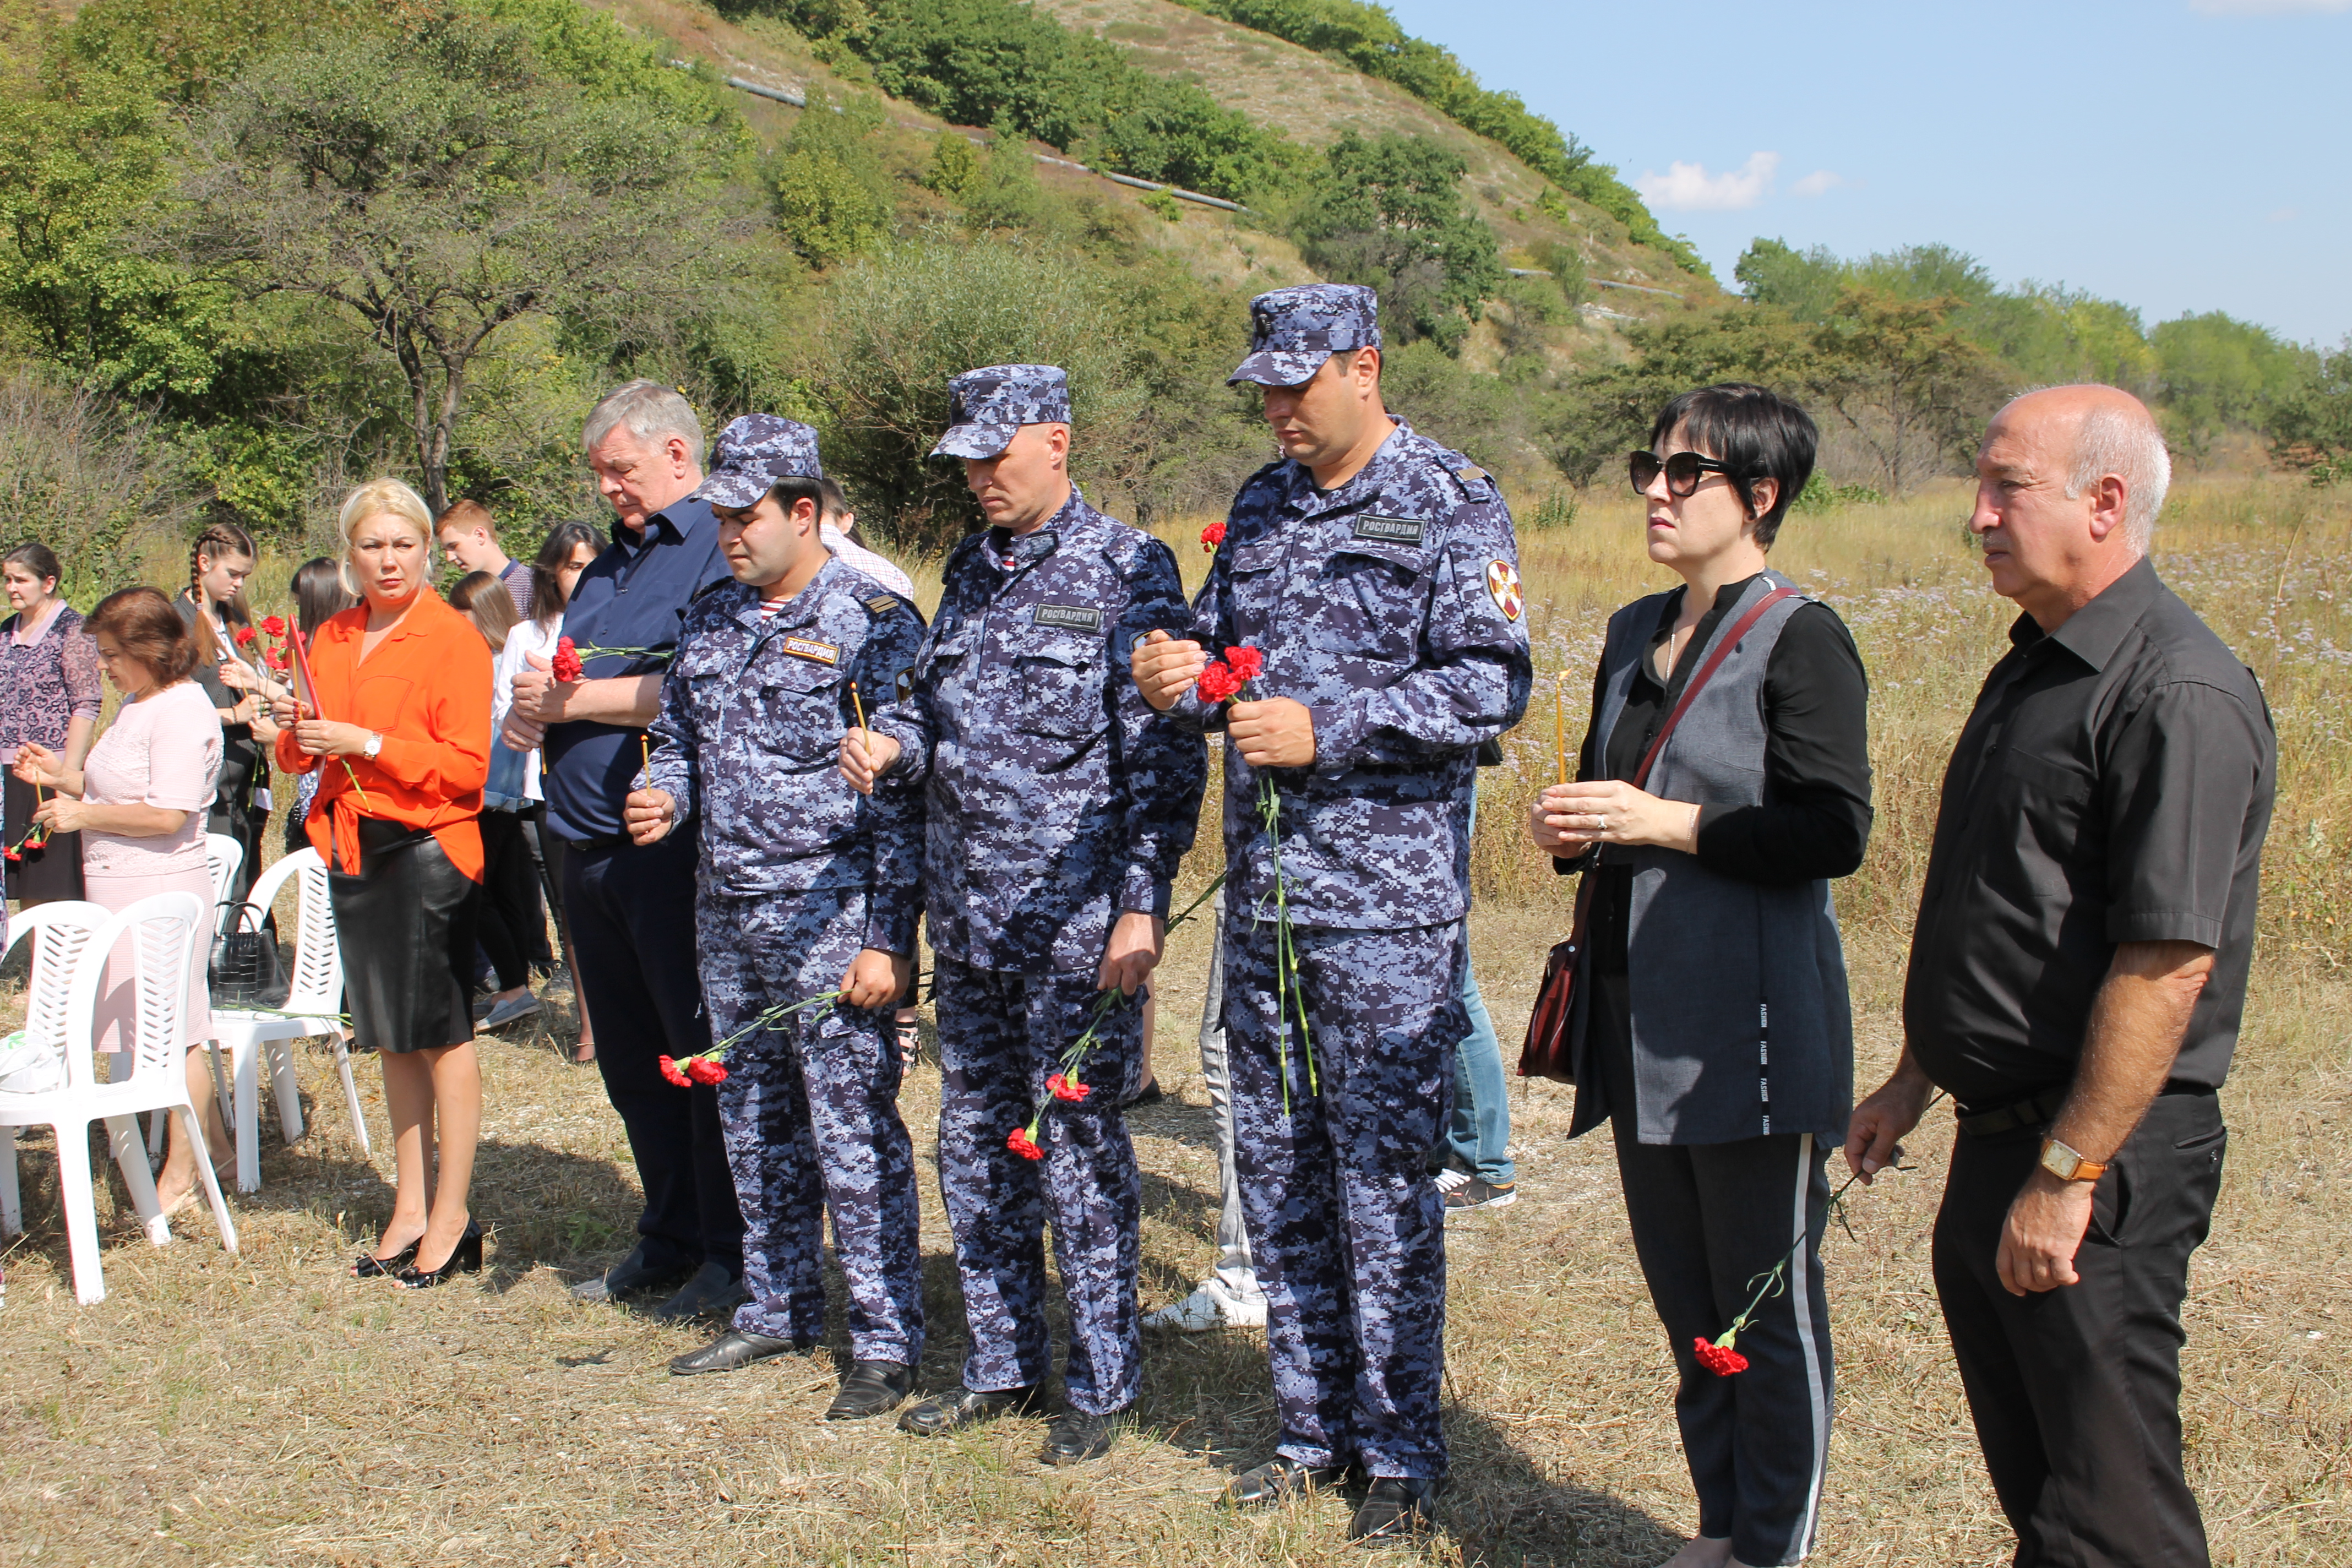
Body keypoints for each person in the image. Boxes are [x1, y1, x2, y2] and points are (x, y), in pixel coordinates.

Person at [1845, 386, 2274, 1568]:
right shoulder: (2039, 664)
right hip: (2004, 1137)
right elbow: (2006, 909)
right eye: (1978, 488)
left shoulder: (2175, 689)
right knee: (2048, 1500)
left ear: (2106, 500)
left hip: (2097, 1156)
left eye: (2006, 488)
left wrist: (2068, 1174)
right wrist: (1912, 1080)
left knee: (2113, 1514)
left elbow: (2164, 960)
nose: (1977, 514)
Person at [1132, 284, 1532, 1540]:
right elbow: (1218, 654)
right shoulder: (1257, 505)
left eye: (1296, 384)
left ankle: (1402, 1449)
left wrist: (1334, 724)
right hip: (1265, 909)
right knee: (1283, 1170)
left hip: (1384, 913)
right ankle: (1308, 1427)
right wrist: (1176, 671)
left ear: (1364, 367)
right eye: (1263, 386)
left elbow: (1492, 683)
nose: (1275, 407)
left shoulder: (1451, 497)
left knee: (1381, 1184)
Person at [1526, 384, 1871, 1568]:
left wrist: (1666, 824)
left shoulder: (1803, 635)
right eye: (1651, 468)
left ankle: (1773, 1543)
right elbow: (1612, 785)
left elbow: (1833, 831)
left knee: (1763, 1311)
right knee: (1691, 1308)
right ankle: (1722, 1524)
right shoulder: (1633, 628)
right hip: (1636, 1017)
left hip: (1749, 1033)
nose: (1656, 493)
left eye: (1688, 474)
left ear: (1760, 496)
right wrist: (1575, 825)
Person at [843, 363, 1206, 1465]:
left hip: (1074, 921)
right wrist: (894, 743)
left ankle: (1102, 1375)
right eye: (967, 458)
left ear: (1058, 439)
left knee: (1080, 1145)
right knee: (976, 1144)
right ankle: (1001, 1362)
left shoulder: (1128, 566)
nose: (980, 476)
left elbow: (1163, 750)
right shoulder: (968, 568)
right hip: (970, 917)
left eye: (998, 454)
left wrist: (1140, 907)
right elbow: (929, 711)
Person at [627, 416, 929, 1423]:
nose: (728, 535)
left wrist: (890, 935)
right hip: (730, 908)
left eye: (745, 516)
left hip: (831, 911)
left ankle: (885, 1339)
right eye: (717, 516)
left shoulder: (873, 618)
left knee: (850, 1128)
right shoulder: (713, 616)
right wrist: (663, 795)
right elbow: (676, 738)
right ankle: (779, 1300)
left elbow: (901, 795)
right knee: (753, 1120)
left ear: (804, 511)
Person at [504, 381, 747, 1320]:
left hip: (662, 843)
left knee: (696, 1053)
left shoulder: (713, 552)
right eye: (599, 471)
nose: (607, 486)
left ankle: (730, 1248)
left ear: (678, 456)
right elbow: (572, 679)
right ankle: (668, 1232)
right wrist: (534, 714)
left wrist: (572, 704)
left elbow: (699, 690)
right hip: (579, 840)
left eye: (623, 468)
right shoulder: (604, 568)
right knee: (632, 1061)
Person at [274, 477, 493, 1289]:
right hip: (353, 846)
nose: (389, 560)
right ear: (351, 555)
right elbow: (301, 749)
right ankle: (409, 1207)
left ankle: (453, 1215)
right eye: (373, 546)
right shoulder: (330, 635)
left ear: (428, 550)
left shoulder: (452, 637)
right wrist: (292, 731)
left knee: (441, 1034)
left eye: (404, 544)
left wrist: (368, 740)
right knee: (390, 1035)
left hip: (430, 847)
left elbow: (468, 770)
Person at [13, 587, 228, 1213]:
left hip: (160, 892)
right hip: (122, 890)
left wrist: (82, 812)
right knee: (148, 1031)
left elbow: (167, 814)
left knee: (175, 1036)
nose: (104, 667)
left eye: (112, 655)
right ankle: (213, 1145)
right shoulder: (139, 703)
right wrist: (59, 775)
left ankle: (182, 1174)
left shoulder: (184, 711)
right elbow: (116, 785)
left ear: (151, 650)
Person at [497, 521, 601, 1065]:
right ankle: (589, 1026)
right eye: (572, 566)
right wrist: (544, 708)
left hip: (612, 785)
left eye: (590, 564)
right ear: (551, 572)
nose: (581, 577)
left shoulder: (614, 624)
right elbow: (504, 712)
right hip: (549, 788)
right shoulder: (527, 635)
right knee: (571, 910)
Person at [448, 570, 541, 1032]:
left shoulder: (490, 661)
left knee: (477, 895)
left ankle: (513, 989)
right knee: (504, 894)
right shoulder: (505, 658)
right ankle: (514, 987)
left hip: (485, 793)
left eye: (463, 618)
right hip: (505, 795)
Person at [176, 518, 274, 907]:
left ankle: (248, 958)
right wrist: (233, 715)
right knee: (219, 879)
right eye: (233, 573)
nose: (239, 584)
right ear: (203, 563)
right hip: (207, 776)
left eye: (245, 576)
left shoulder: (234, 621)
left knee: (248, 872)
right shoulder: (175, 622)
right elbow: (168, 710)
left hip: (245, 770)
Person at [2, 541, 101, 905]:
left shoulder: (72, 629)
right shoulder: (5, 631)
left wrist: (66, 776)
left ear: (48, 583)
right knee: (17, 882)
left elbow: (86, 703)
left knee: (48, 884)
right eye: (8, 580)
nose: (12, 587)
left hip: (50, 768)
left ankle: (54, 961)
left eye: (21, 580)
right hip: (8, 772)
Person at [280, 558, 356, 857]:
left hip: (333, 784)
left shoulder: (332, 651)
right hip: (313, 777)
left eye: (302, 603)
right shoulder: (305, 648)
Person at [436, 498, 533, 618]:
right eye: (445, 550)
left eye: (454, 546)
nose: (449, 557)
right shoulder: (466, 596)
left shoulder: (532, 587)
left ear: (480, 535)